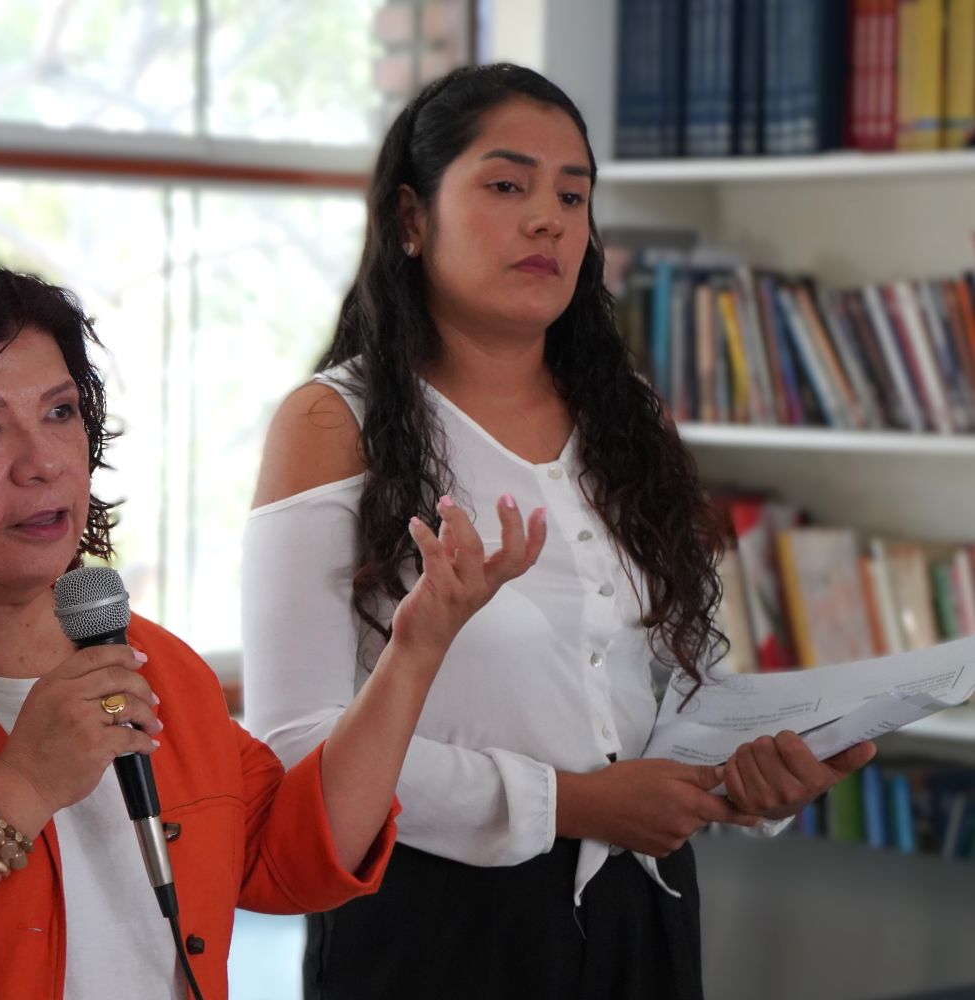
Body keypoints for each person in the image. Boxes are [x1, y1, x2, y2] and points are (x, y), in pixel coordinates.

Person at [0, 256, 545, 1000]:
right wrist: (25, 781)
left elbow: (293, 855)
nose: (45, 461)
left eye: (60, 412)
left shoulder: (147, 657)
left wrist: (415, 650)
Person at [242, 63, 877, 1000]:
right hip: (428, 923)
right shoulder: (333, 422)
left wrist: (748, 778)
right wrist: (570, 804)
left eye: (572, 196)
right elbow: (296, 748)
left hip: (647, 903)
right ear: (411, 218)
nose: (548, 220)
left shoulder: (630, 419)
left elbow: (671, 687)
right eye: (508, 186)